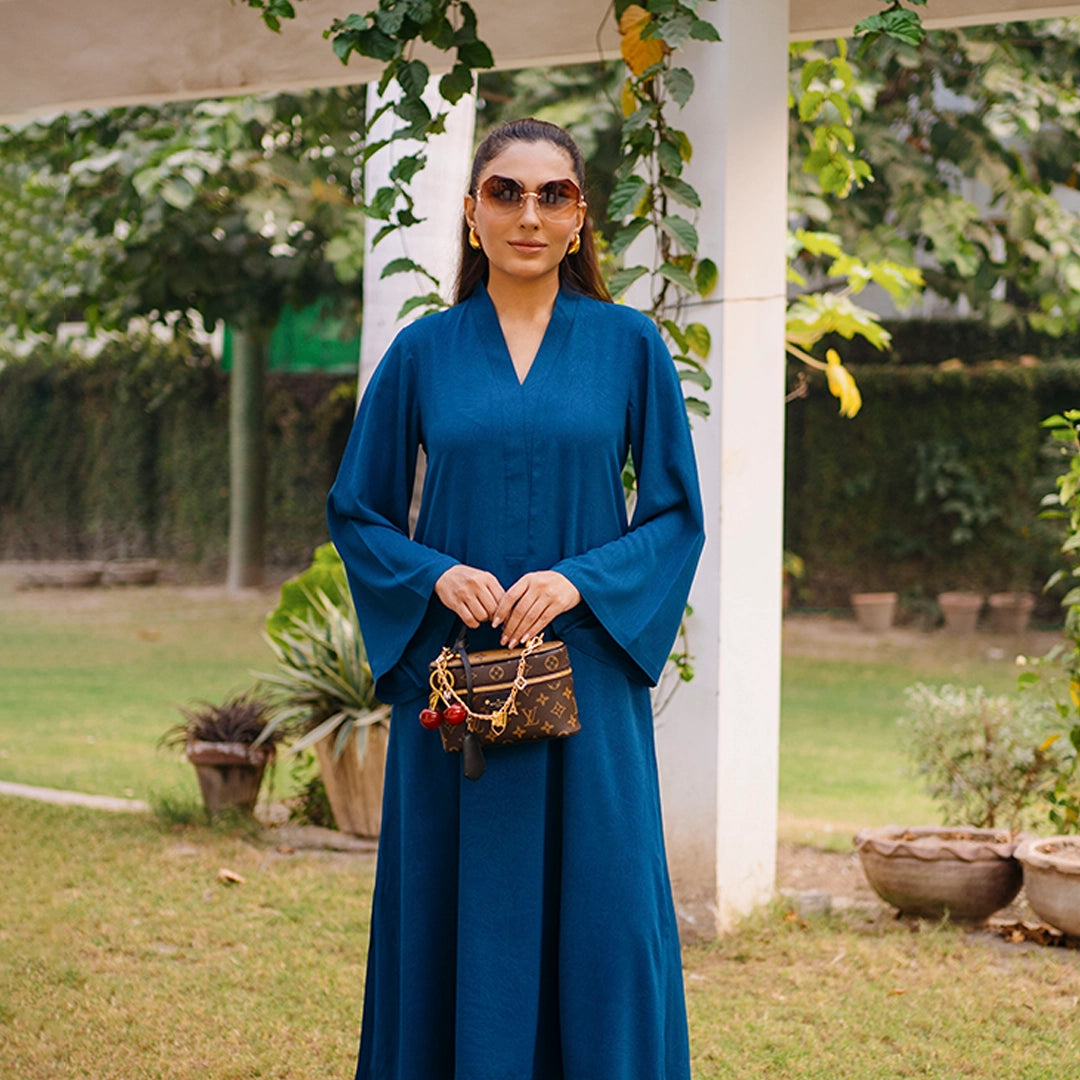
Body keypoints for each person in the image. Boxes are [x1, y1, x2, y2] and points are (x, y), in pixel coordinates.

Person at [327, 117, 705, 1080]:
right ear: (470, 212)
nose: (528, 214)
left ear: (580, 220)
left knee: (607, 914)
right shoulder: (423, 354)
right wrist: (432, 574)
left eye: (553, 195)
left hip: (589, 683)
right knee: (460, 911)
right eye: (506, 192)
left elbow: (672, 515)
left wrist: (580, 577)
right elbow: (359, 511)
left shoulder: (631, 347)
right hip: (460, 686)